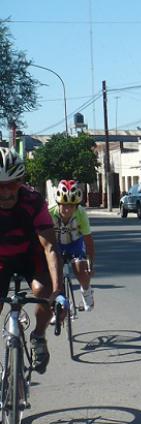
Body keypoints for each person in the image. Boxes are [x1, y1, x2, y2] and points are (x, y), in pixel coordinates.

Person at [0, 148, 65, 374]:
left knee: (43, 291)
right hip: (1, 259)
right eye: (0, 185)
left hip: (31, 255)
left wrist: (58, 291)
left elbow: (49, 247)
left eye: (12, 184)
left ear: (21, 181)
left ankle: (38, 336)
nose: (6, 192)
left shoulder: (33, 201)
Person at [49, 180, 96, 311]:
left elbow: (89, 242)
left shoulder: (81, 214)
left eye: (71, 205)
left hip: (75, 243)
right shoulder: (49, 213)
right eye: (64, 205)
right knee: (55, 275)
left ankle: (86, 292)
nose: (67, 209)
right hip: (56, 244)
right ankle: (58, 308)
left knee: (81, 270)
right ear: (59, 203)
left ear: (76, 205)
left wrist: (90, 266)